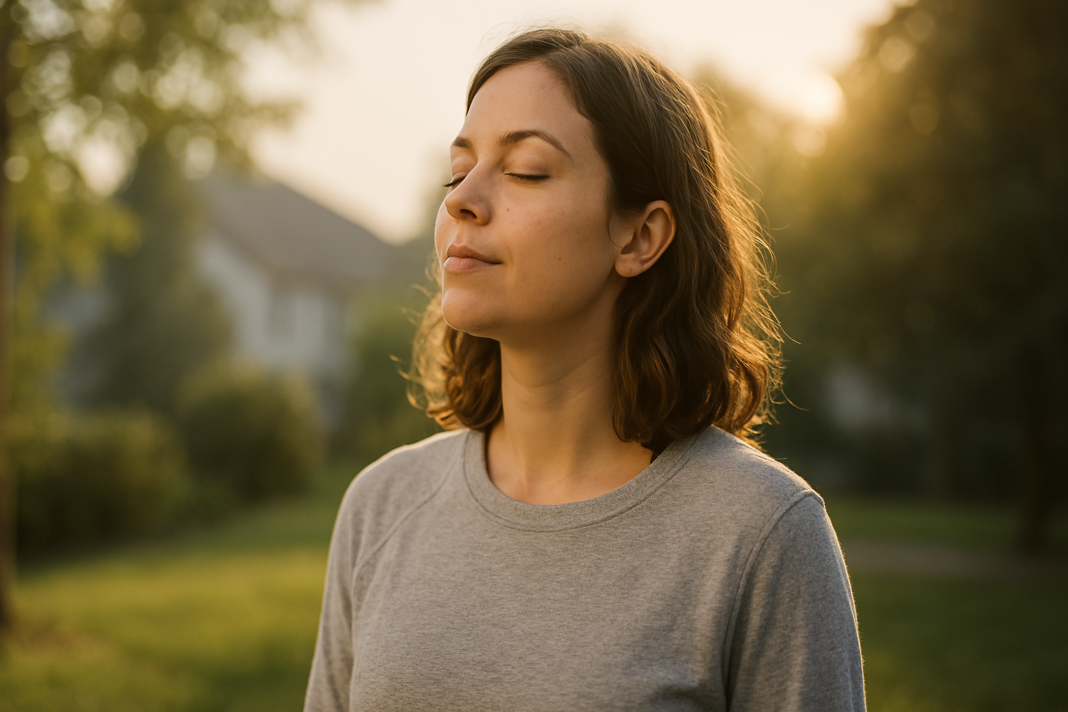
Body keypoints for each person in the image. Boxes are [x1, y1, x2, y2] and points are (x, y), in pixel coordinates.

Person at [305, 28, 865, 712]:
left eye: (526, 171)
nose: (461, 201)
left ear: (640, 236)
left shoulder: (762, 532)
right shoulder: (381, 505)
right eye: (459, 171)